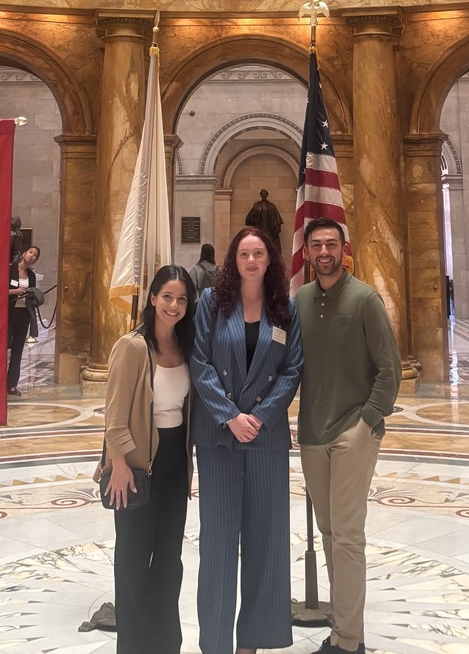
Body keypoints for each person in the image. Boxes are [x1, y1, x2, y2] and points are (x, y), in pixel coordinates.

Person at [191, 227, 302, 654]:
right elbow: (199, 363)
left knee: (265, 543)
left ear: (270, 260)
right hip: (220, 438)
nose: (251, 261)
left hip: (266, 438)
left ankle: (252, 643)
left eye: (258, 254)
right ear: (232, 261)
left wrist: (258, 416)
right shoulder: (211, 304)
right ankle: (216, 644)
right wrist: (230, 416)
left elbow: (293, 369)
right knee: (218, 546)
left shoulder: (285, 309)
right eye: (243, 254)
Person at [296, 217, 402, 654]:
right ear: (306, 252)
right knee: (327, 531)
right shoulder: (299, 300)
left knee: (347, 535)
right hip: (311, 433)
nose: (324, 252)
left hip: (352, 432)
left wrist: (369, 420)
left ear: (345, 248)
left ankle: (347, 639)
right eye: (317, 245)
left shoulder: (365, 300)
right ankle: (342, 628)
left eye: (331, 244)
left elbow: (389, 369)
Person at [100, 265, 196, 654]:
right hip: (137, 465)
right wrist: (119, 464)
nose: (173, 305)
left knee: (169, 560)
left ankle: (165, 644)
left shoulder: (185, 347)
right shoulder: (133, 346)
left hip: (175, 463)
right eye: (167, 296)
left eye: (182, 299)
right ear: (153, 298)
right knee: (134, 561)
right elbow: (114, 413)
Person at [7, 245, 40, 396]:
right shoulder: (10, 269)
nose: (32, 256)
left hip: (23, 314)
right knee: (3, 349)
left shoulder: (31, 276)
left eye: (35, 255)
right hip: (9, 313)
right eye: (31, 252)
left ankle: (11, 384)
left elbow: (33, 295)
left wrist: (32, 294)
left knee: (18, 351)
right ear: (24, 253)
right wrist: (15, 291)